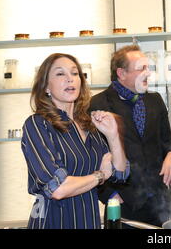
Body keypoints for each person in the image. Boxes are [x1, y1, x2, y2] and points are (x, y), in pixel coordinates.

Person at [21, 53, 129, 229]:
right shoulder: (37, 124)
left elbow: (120, 173)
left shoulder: (89, 125)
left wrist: (113, 135)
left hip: (88, 222)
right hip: (53, 222)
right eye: (60, 74)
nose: (70, 79)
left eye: (74, 73)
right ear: (46, 86)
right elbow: (57, 188)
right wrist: (99, 176)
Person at [90, 45, 171, 227]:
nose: (148, 73)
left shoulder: (155, 100)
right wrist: (109, 194)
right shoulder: (98, 103)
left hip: (158, 201)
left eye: (148, 68)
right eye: (141, 69)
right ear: (121, 73)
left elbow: (166, 140)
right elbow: (94, 154)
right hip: (122, 201)